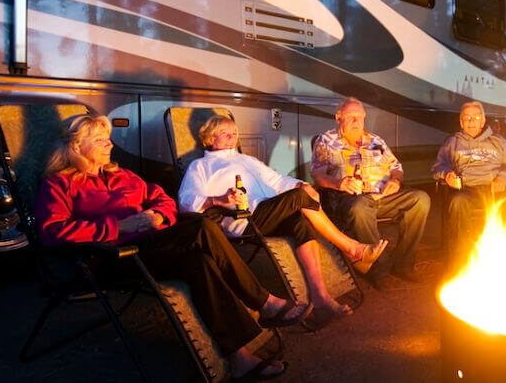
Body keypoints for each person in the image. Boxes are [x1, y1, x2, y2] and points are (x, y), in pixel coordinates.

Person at [36, 114, 306, 381]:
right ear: (76, 147)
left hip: (151, 248)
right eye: (100, 141)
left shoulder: (122, 175)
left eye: (108, 140)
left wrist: (158, 216)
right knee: (201, 227)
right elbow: (52, 232)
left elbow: (163, 199)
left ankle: (240, 357)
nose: (110, 145)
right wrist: (120, 226)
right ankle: (264, 302)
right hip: (111, 259)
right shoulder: (59, 184)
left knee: (199, 262)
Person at [177, 115, 387, 321]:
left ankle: (320, 296)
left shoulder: (246, 160)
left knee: (300, 220)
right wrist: (219, 199)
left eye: (234, 133)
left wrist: (300, 184)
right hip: (243, 220)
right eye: (225, 133)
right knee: (299, 198)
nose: (232, 137)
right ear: (210, 138)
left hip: (266, 212)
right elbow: (186, 200)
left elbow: (277, 180)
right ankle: (352, 249)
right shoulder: (201, 167)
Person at [311, 97, 431, 287]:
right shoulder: (326, 140)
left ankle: (403, 264)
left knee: (420, 199)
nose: (356, 122)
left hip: (382, 197)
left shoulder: (376, 140)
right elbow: (317, 175)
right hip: (350, 199)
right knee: (360, 207)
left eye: (360, 117)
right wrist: (338, 183)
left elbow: (397, 167)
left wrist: (396, 180)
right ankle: (379, 268)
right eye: (351, 117)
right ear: (338, 117)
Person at [431, 101, 506, 259]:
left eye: (476, 117)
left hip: (494, 189)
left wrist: (503, 179)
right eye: (467, 118)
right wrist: (447, 174)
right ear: (461, 122)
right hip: (466, 190)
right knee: (458, 202)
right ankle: (461, 258)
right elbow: (438, 167)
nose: (471, 121)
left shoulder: (498, 142)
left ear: (483, 121)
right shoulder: (452, 142)